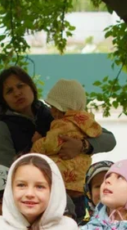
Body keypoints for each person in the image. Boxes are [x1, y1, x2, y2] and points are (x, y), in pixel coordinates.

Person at [0, 66, 117, 166]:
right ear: (3, 99)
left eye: (20, 86)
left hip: (76, 188)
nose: (17, 93)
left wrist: (82, 145)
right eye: (9, 91)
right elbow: (4, 171)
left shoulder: (53, 113)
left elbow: (109, 140)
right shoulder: (3, 128)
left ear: (31, 87)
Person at [31, 79, 102, 221]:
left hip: (63, 186)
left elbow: (50, 144)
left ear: (61, 108)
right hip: (79, 187)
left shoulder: (64, 125)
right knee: (76, 221)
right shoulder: (86, 122)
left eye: (53, 107)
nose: (51, 111)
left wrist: (36, 145)